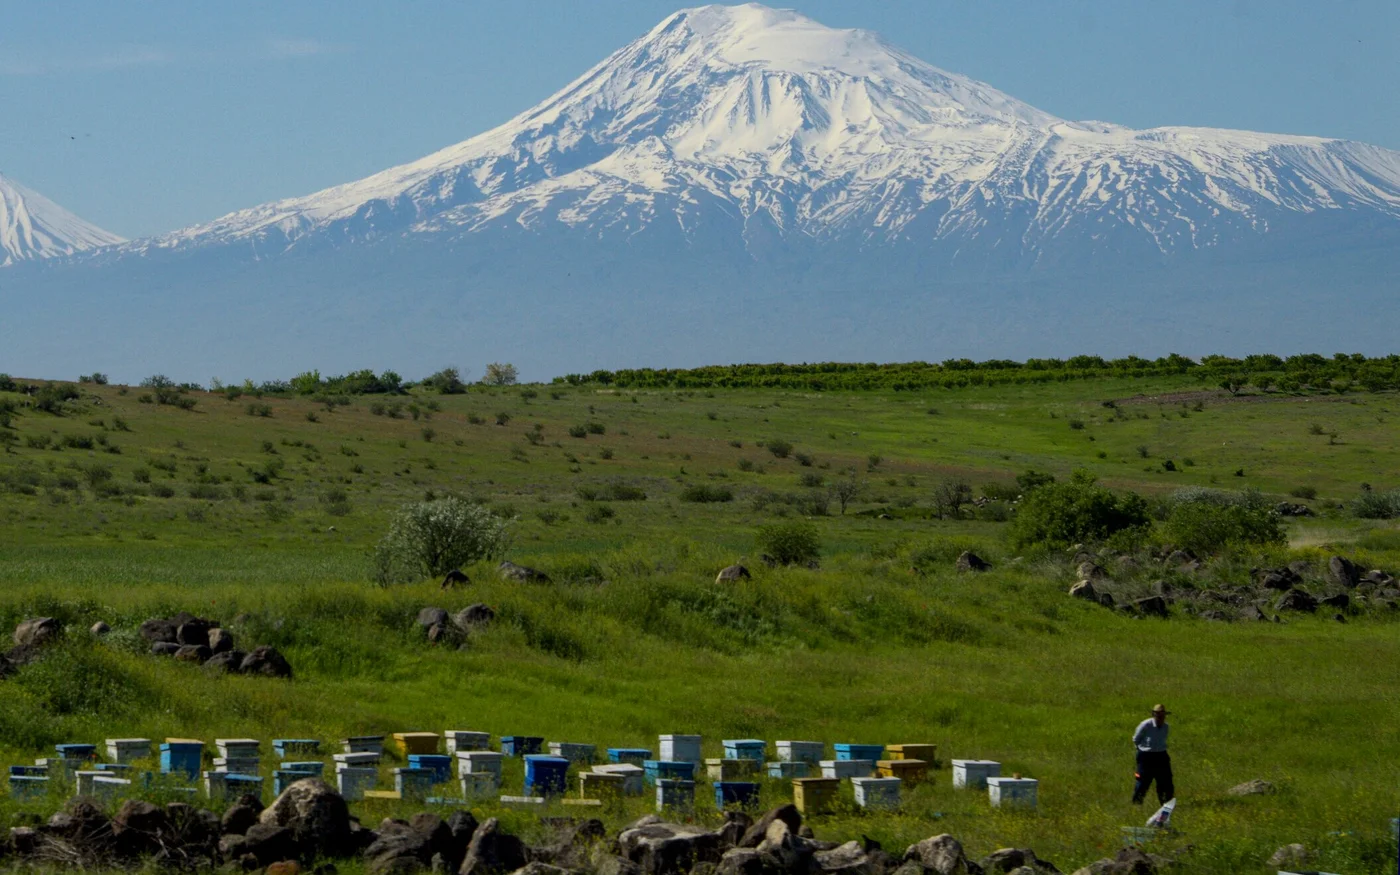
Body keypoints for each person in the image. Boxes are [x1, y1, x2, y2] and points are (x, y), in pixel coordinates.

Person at [1132, 704, 1174, 805]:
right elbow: (1136, 739)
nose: (1160, 717)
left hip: (1161, 756)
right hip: (1146, 756)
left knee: (1165, 781)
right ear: (1154, 714)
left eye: (1162, 714)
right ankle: (1137, 803)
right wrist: (1142, 750)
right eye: (1158, 714)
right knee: (1143, 781)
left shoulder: (1166, 727)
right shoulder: (1145, 724)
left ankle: (1166, 803)